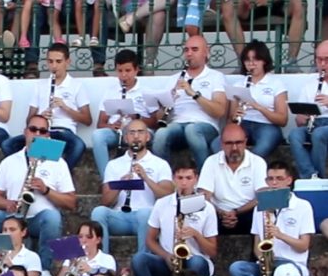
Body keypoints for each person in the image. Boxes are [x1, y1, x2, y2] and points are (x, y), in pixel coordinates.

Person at [0, 114, 76, 273]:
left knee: (53, 218)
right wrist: (7, 203)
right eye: (33, 129)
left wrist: (46, 190)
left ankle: (44, 269)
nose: (37, 134)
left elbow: (71, 202)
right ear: (25, 132)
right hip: (13, 217)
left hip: (39, 220)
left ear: (48, 135)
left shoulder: (58, 162)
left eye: (42, 131)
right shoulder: (9, 161)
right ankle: (1, 259)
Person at [228, 162, 314, 276]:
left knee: (281, 274)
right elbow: (256, 245)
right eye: (270, 179)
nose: (274, 183)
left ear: (289, 180)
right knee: (237, 268)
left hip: (293, 264)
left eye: (279, 179)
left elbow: (303, 245)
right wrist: (263, 257)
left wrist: (280, 235)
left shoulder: (303, 206)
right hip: (269, 262)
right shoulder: (260, 207)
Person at [131, 164, 218, 276]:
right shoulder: (162, 204)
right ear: (173, 179)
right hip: (169, 260)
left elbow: (212, 251)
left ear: (196, 179)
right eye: (180, 178)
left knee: (196, 262)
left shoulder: (207, 207)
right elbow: (150, 239)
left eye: (188, 178)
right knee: (139, 260)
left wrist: (195, 235)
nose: (184, 183)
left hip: (195, 260)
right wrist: (166, 256)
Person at [1, 44, 91, 171]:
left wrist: (65, 108)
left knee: (79, 146)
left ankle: (60, 173)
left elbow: (87, 120)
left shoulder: (77, 86)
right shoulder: (40, 85)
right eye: (50, 61)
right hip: (41, 132)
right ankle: (28, 171)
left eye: (58, 61)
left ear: (67, 62)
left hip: (63, 133)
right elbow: (29, 120)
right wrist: (41, 117)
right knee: (7, 144)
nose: (54, 66)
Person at [90, 119, 174, 254]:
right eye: (132, 133)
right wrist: (120, 185)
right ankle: (103, 262)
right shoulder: (114, 164)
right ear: (125, 138)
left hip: (146, 218)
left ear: (148, 137)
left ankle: (142, 260)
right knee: (98, 212)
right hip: (120, 217)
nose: (136, 137)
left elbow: (168, 196)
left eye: (140, 132)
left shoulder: (160, 164)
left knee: (145, 213)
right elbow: (105, 201)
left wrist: (146, 178)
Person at [151, 35, 227, 170]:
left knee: (192, 130)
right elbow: (159, 118)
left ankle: (205, 176)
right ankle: (165, 178)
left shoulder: (216, 77)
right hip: (177, 125)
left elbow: (219, 111)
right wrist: (165, 105)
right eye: (186, 50)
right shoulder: (173, 79)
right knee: (160, 134)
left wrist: (194, 94)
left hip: (205, 126)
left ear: (206, 52)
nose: (189, 53)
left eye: (194, 49)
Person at [92, 49, 158, 178]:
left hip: (139, 132)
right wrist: (112, 126)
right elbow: (100, 123)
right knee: (97, 136)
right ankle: (107, 179)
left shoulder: (146, 91)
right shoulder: (110, 91)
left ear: (136, 70)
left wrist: (137, 118)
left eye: (128, 71)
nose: (123, 76)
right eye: (120, 71)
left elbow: (155, 122)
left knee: (140, 133)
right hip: (117, 133)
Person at [197, 123, 268, 235]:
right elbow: (204, 195)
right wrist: (221, 213)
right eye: (229, 143)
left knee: (264, 212)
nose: (234, 148)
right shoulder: (211, 161)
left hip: (247, 212)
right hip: (218, 213)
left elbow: (262, 196)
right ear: (222, 144)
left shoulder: (258, 162)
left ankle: (259, 252)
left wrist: (236, 212)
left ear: (245, 142)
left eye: (238, 142)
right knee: (197, 210)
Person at [220, 0, 305, 72]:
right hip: (255, 0)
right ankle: (243, 62)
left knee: (300, 4)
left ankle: (291, 62)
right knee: (228, 8)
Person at [226, 40, 289, 159]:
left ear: (264, 61)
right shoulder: (238, 85)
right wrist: (234, 116)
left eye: (255, 59)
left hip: (267, 126)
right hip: (243, 124)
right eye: (247, 60)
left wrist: (259, 107)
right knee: (217, 144)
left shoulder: (276, 83)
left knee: (260, 150)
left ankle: (246, 170)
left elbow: (282, 119)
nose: (251, 64)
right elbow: (230, 119)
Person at [288, 40, 328, 180]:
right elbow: (299, 120)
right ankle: (310, 175)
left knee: (318, 134)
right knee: (294, 135)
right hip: (315, 123)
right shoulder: (309, 85)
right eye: (319, 60)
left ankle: (321, 178)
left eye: (326, 60)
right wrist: (301, 118)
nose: (322, 64)